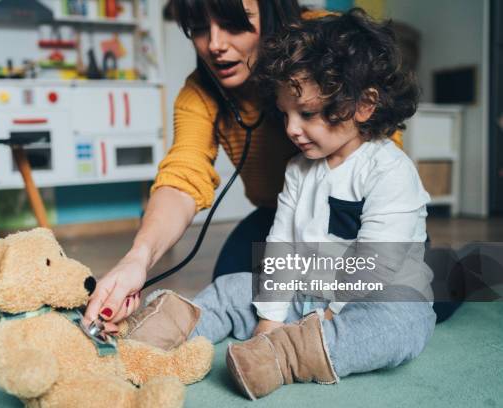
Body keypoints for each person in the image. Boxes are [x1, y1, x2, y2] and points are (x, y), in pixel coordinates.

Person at [119, 8, 436, 400]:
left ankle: (284, 358)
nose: (291, 130)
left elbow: (377, 260)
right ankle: (168, 326)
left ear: (363, 106)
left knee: (402, 323)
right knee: (231, 288)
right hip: (310, 289)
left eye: (305, 114)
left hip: (373, 293)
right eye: (284, 113)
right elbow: (282, 245)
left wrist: (327, 318)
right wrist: (269, 319)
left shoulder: (389, 171)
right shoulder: (299, 169)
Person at [83, 0, 404, 330]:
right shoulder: (199, 94)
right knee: (232, 285)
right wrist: (138, 258)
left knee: (397, 297)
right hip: (277, 212)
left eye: (235, 24)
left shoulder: (328, 40)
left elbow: (377, 145)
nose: (216, 45)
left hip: (353, 213)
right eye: (199, 29)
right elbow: (182, 178)